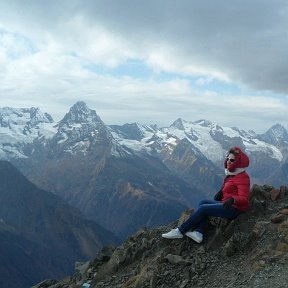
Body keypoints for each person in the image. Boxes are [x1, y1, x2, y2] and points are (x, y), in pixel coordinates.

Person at [162, 146, 250, 243]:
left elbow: (244, 198)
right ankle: (199, 233)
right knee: (202, 202)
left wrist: (233, 199)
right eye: (227, 159)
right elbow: (231, 187)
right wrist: (221, 192)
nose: (228, 161)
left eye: (232, 160)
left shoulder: (243, 177)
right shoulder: (232, 174)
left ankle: (180, 231)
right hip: (227, 204)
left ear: (238, 163)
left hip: (234, 209)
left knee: (204, 209)